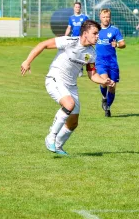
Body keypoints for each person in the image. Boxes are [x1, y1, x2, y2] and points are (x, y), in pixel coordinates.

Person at [21, 20, 114, 155]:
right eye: (95, 33)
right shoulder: (69, 41)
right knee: (68, 104)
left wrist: (104, 81)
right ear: (85, 33)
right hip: (55, 79)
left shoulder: (91, 54)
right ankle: (51, 136)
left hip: (71, 86)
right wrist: (27, 61)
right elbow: (44, 44)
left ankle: (58, 146)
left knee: (73, 123)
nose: (97, 36)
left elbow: (92, 75)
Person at [96, 8, 126, 117]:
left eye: (107, 17)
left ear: (110, 18)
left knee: (112, 87)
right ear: (100, 17)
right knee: (104, 81)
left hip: (112, 63)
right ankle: (104, 97)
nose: (105, 19)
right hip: (100, 62)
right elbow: (88, 42)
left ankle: (108, 107)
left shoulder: (114, 30)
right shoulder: (96, 30)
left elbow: (123, 43)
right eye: (103, 17)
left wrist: (117, 45)